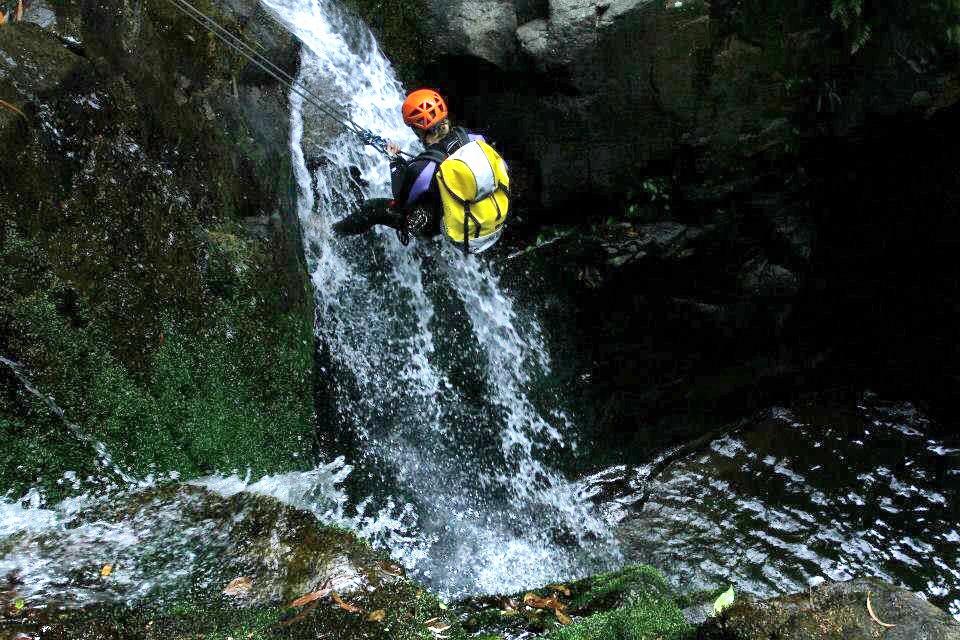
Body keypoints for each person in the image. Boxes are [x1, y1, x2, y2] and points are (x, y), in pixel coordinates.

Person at [333, 89, 505, 253]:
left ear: (420, 130)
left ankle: (333, 233)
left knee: (373, 208)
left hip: (449, 224)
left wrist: (395, 161)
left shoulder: (424, 168)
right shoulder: (475, 138)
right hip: (486, 211)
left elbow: (402, 201)